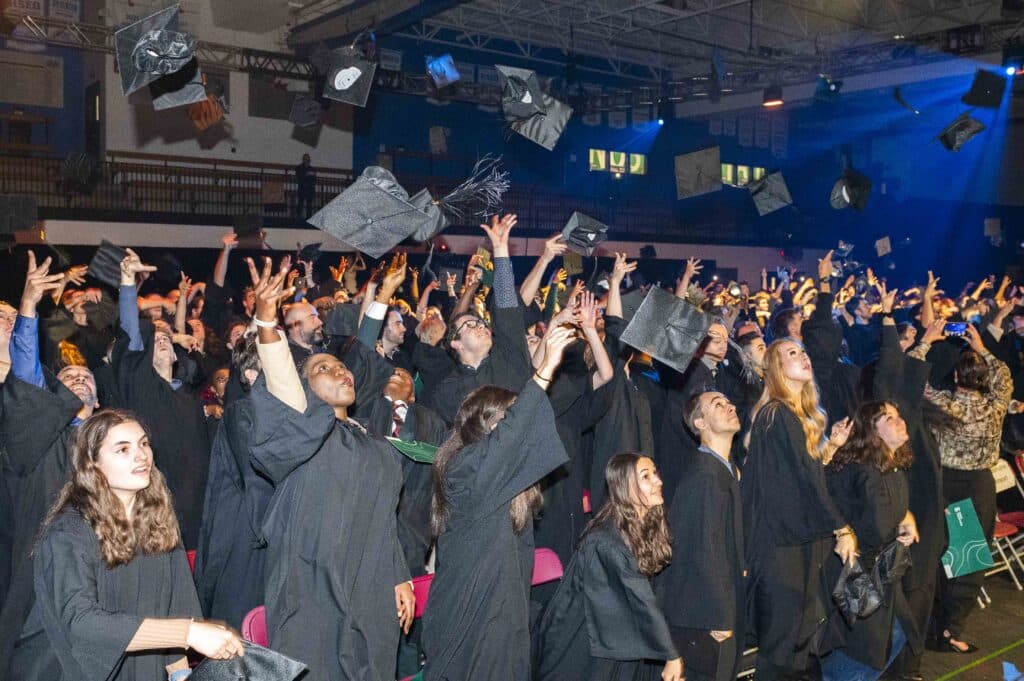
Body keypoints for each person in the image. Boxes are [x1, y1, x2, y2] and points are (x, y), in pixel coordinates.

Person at [246, 256, 414, 681]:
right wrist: (268, 322)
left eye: (340, 368)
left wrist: (399, 576)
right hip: (311, 587)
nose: (339, 370)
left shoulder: (374, 444)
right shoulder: (304, 431)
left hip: (371, 588)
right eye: (323, 368)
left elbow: (384, 519)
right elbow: (283, 378)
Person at [10, 409, 243, 681]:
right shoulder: (69, 531)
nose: (141, 455)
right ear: (92, 465)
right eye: (122, 449)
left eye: (143, 443)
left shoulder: (158, 520)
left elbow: (178, 602)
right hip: (66, 669)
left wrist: (180, 673)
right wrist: (188, 632)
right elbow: (81, 623)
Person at [421, 326, 574, 681]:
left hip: (503, 621)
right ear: (485, 423)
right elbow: (507, 443)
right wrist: (541, 374)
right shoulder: (462, 468)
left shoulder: (505, 487)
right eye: (510, 419)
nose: (524, 434)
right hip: (469, 622)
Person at [0, 253, 100, 681]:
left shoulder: (33, 382)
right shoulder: (27, 391)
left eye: (8, 315)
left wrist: (28, 310)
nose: (6, 319)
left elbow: (29, 384)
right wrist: (26, 308)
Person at [742, 338, 856, 679]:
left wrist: (830, 448)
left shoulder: (791, 415)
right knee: (784, 650)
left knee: (802, 645)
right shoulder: (777, 414)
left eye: (803, 351)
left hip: (796, 545)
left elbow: (802, 475)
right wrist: (842, 528)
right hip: (781, 550)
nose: (803, 356)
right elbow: (803, 482)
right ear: (776, 369)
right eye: (792, 353)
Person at [909, 322, 1012, 654]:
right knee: (966, 562)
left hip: (942, 483)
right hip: (976, 485)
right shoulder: (996, 404)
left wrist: (925, 342)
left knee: (936, 556)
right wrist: (981, 347)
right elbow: (1004, 373)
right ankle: (950, 631)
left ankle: (929, 625)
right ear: (985, 379)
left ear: (955, 377)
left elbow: (910, 374)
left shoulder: (941, 403)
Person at [535, 453, 682, 681]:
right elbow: (639, 598)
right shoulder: (605, 542)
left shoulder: (643, 527)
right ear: (624, 487)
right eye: (646, 476)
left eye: (655, 473)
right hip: (578, 644)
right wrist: (670, 654)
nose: (658, 481)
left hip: (610, 638)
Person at [110, 249, 210, 548]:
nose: (162, 340)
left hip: (197, 522)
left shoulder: (190, 398)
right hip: (155, 521)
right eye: (155, 340)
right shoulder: (141, 388)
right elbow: (130, 337)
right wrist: (128, 282)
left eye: (167, 338)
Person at [822, 401, 920, 681]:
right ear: (872, 430)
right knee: (867, 649)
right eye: (888, 417)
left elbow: (890, 514)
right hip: (856, 571)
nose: (899, 420)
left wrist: (906, 517)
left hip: (884, 570)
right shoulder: (859, 470)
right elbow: (825, 498)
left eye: (898, 414)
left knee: (899, 633)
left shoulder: (893, 466)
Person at [657, 391, 746, 681]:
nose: (729, 405)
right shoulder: (705, 476)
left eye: (728, 401)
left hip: (720, 606)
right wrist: (718, 613)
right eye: (717, 405)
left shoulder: (725, 470)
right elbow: (701, 548)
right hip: (704, 616)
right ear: (700, 423)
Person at [192, 334, 273, 629]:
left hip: (263, 535)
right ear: (252, 375)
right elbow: (259, 477)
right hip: (248, 540)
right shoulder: (244, 413)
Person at [423, 214, 532, 424]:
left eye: (481, 322)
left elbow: (507, 309)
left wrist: (500, 251)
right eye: (470, 324)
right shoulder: (446, 391)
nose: (480, 325)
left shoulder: (508, 359)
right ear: (455, 342)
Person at [294, 153, 316, 219]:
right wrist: (306, 175)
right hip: (302, 189)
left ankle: (309, 218)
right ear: (303, 160)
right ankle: (298, 217)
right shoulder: (299, 168)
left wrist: (307, 176)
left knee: (309, 205)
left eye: (308, 160)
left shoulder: (312, 169)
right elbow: (299, 178)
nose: (307, 161)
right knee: (300, 203)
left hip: (310, 189)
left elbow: (314, 179)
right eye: (306, 160)